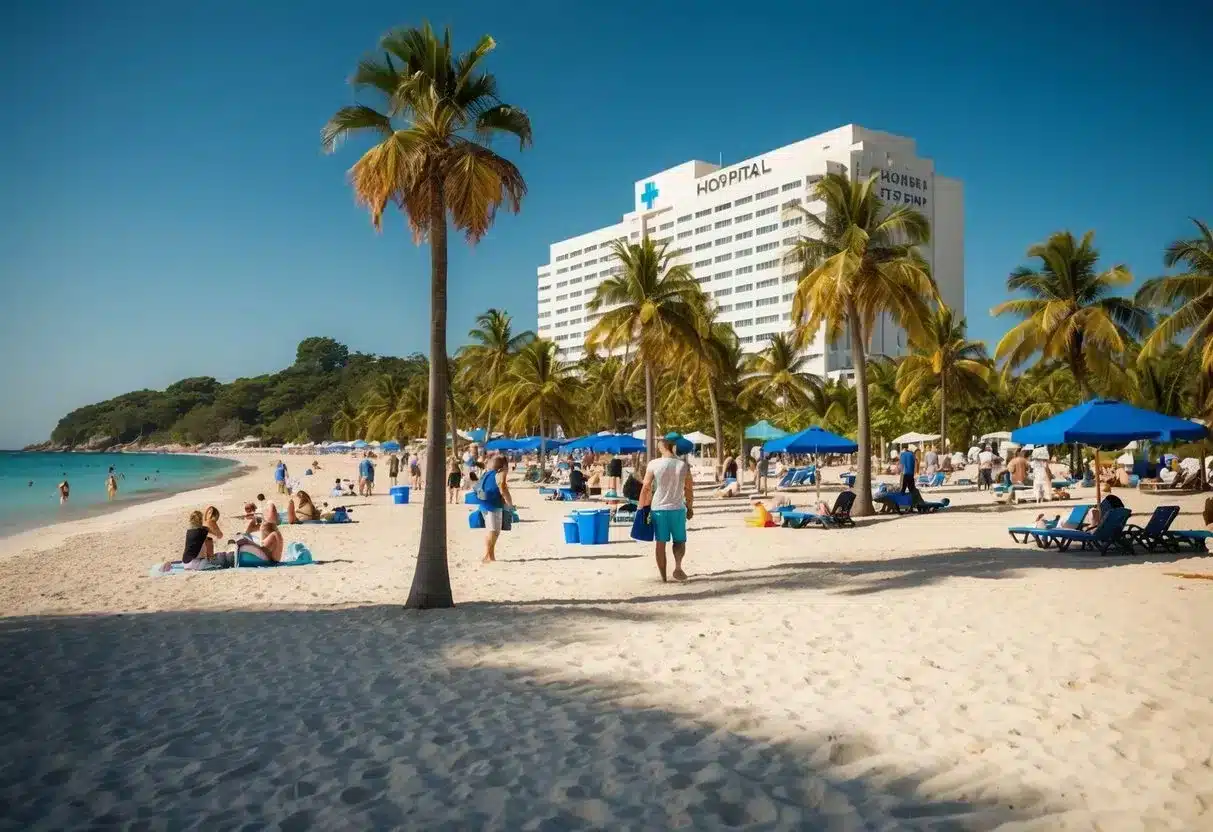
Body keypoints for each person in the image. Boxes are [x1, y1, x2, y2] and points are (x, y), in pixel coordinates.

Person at [640, 437, 695, 582]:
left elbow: (646, 487)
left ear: (661, 448)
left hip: (658, 508)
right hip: (677, 508)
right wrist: (690, 506)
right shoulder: (683, 465)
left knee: (660, 543)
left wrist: (641, 507)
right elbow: (689, 489)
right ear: (673, 448)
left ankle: (663, 577)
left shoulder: (654, 464)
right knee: (679, 541)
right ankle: (677, 566)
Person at [477, 455, 514, 564]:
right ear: (503, 465)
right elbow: (502, 487)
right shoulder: (500, 473)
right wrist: (510, 503)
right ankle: (488, 556)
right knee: (494, 531)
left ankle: (490, 555)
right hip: (493, 505)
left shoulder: (487, 473)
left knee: (491, 531)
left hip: (484, 503)